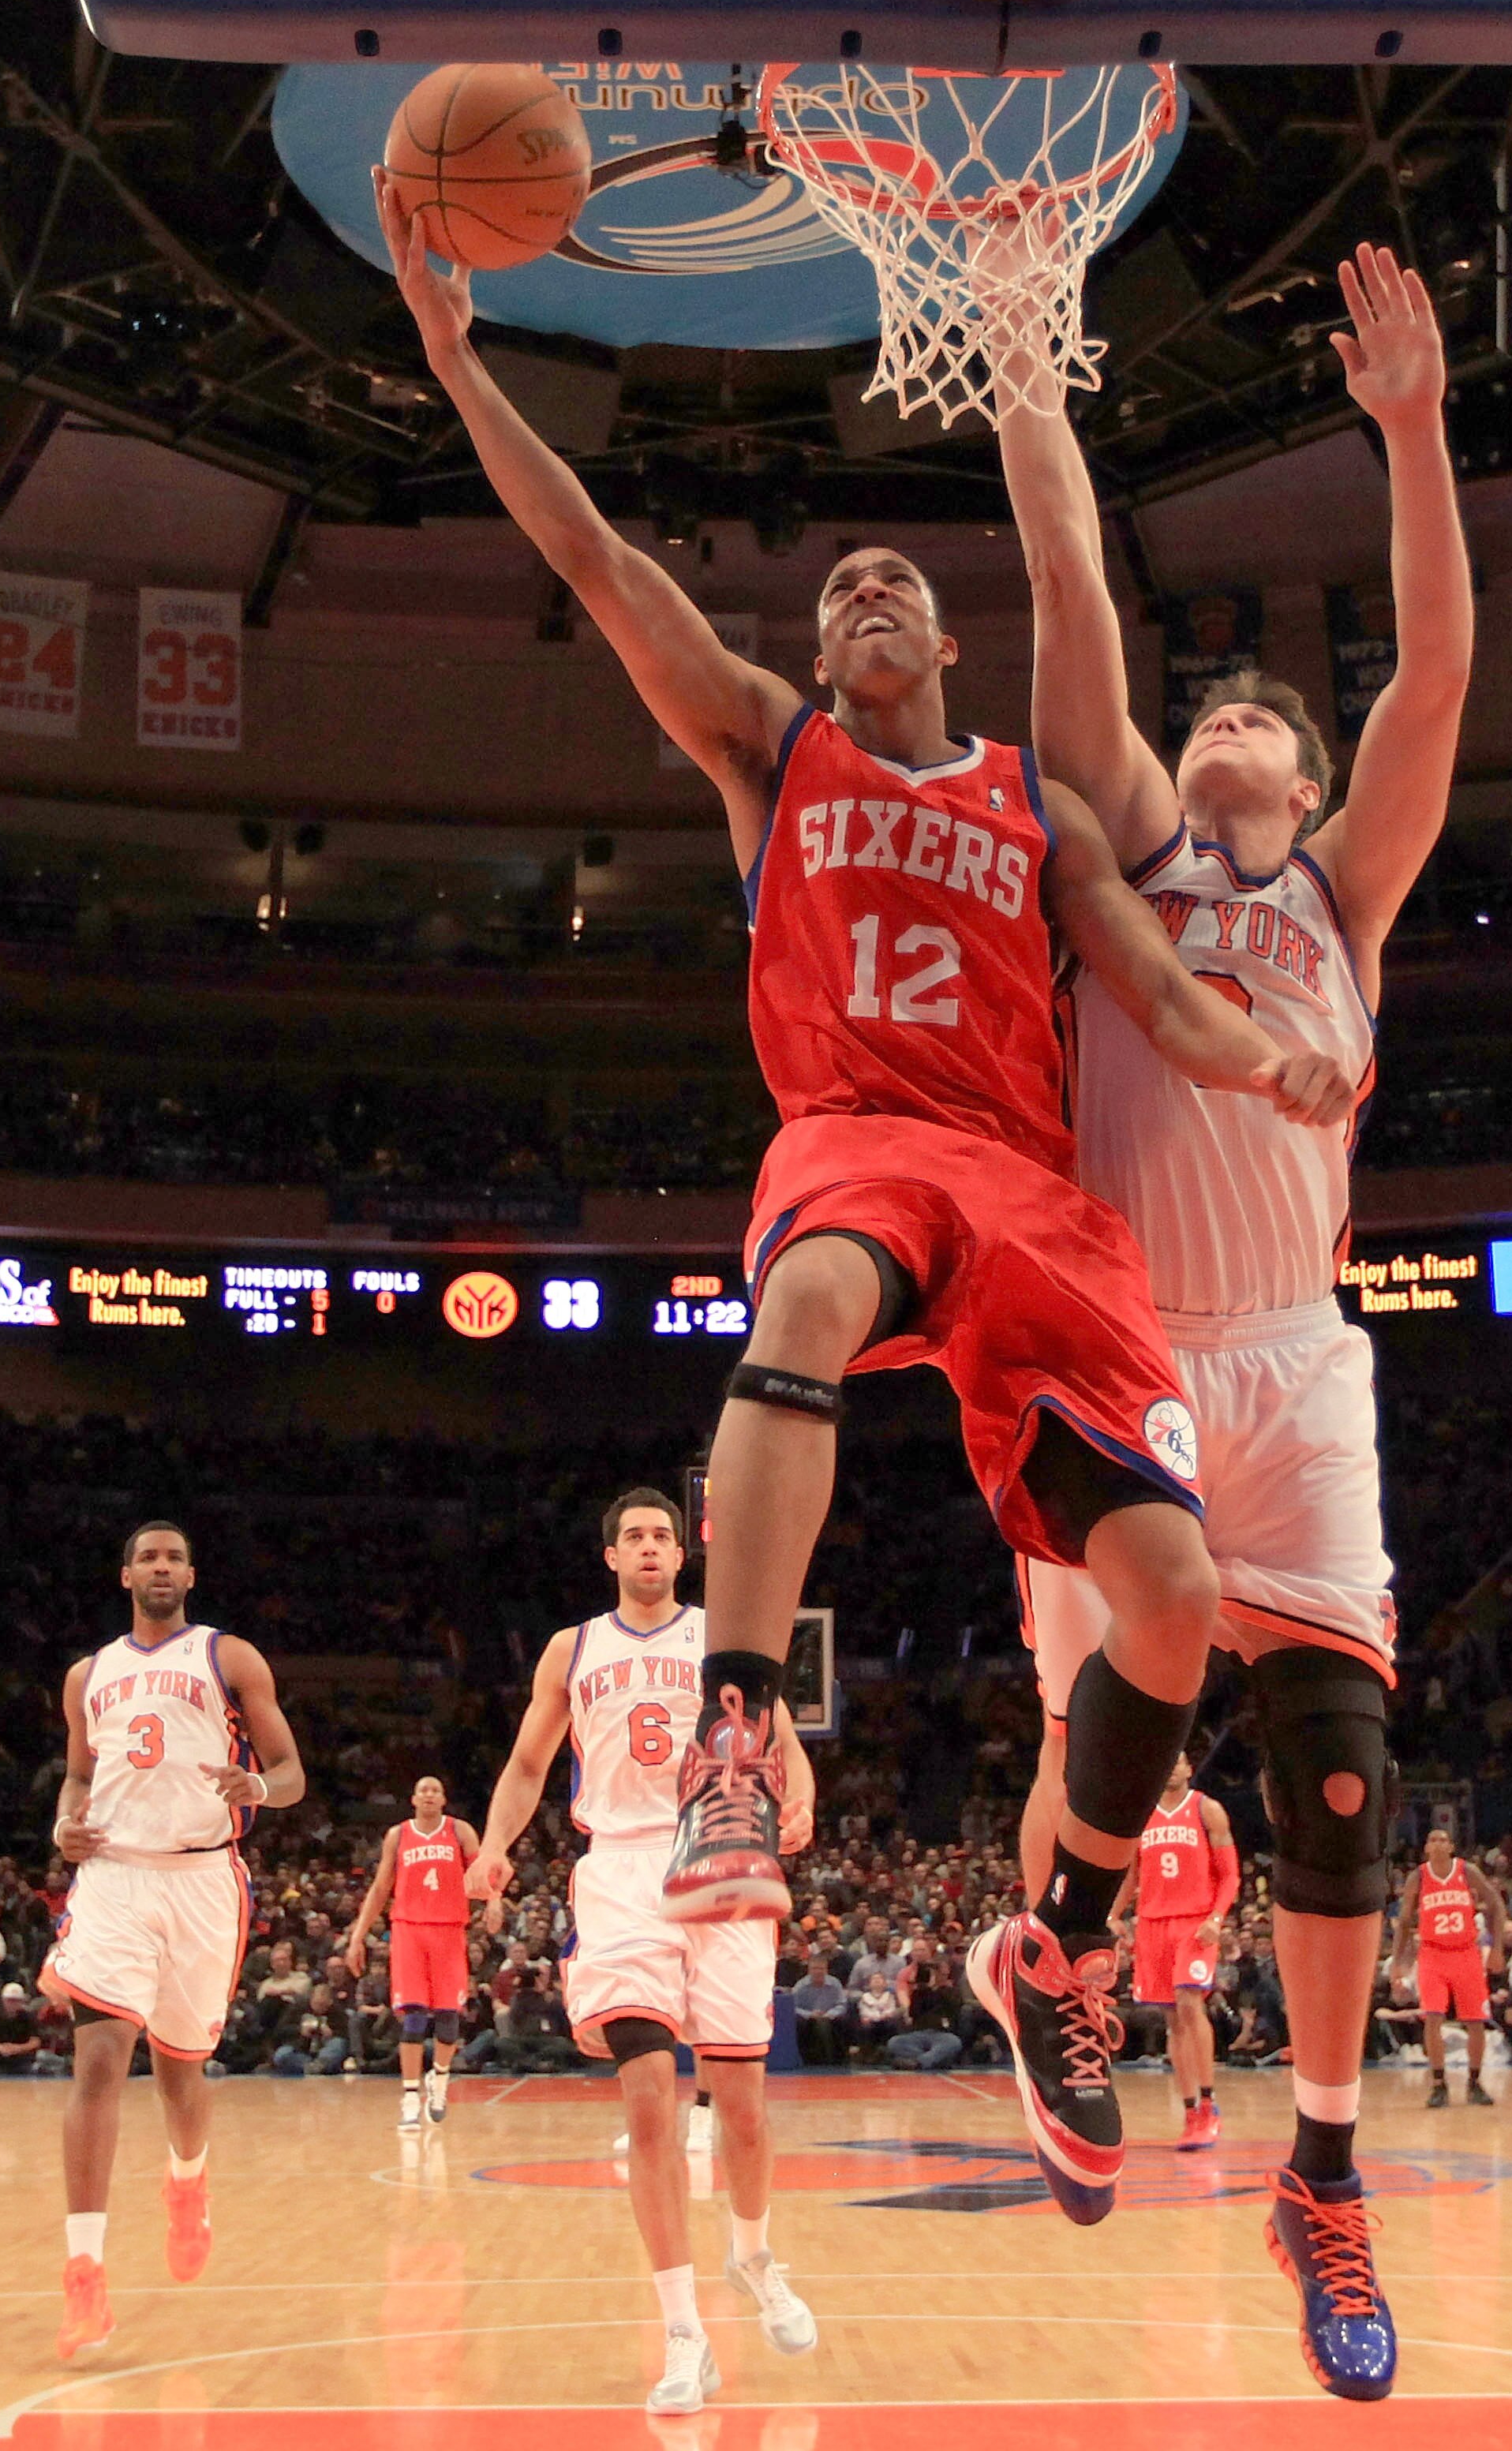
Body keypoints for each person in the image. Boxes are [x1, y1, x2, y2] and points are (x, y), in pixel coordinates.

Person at [380, 172, 1352, 2228]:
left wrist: (1250, 1053)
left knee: (1173, 1606)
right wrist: (463, 363)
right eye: (838, 594)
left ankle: (1060, 1947)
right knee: (807, 1296)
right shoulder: (771, 749)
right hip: (860, 1136)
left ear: (951, 637)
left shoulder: (1032, 799)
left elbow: (1159, 976)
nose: (870, 597)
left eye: (900, 580)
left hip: (1044, 1202)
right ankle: (741, 1732)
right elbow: (596, 555)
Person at [993, 235, 1466, 2395]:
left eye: (1275, 712)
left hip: (1300, 1345)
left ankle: (1328, 2175)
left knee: (1343, 1773)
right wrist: (1025, 372)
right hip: (1121, 1329)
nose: (1248, 725)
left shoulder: (1345, 897)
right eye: (1226, 713)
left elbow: (1438, 679)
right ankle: (1062, 1971)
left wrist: (1417, 437)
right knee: (1114, 1722)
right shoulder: (1131, 855)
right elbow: (1078, 608)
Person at [473, 1487, 821, 2415]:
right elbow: (526, 1764)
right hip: (622, 1869)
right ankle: (682, 2331)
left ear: (681, 1552)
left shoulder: (722, 1637)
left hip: (719, 1851)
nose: (650, 1548)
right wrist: (498, 1845)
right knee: (649, 2103)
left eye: (663, 1535)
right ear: (610, 1557)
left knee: (742, 2108)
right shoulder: (571, 1649)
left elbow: (781, 1740)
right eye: (633, 1536)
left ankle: (752, 2255)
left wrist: (800, 1797)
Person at [39, 1521, 306, 2363]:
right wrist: (63, 1824)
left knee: (182, 2071)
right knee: (100, 2059)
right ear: (126, 1575)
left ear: (192, 1573)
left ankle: (187, 2183)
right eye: (147, 1556)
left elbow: (293, 1771)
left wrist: (256, 1783)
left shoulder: (232, 1659)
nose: (161, 1567)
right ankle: (85, 2275)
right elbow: (80, 1774)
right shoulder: (89, 1674)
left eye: (174, 1557)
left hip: (202, 1879)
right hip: (115, 1876)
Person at [1108, 1757, 1239, 2152]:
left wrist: (1217, 1917)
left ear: (1188, 1769)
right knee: (1172, 2018)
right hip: (1152, 1924)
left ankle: (1210, 2103)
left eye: (1177, 1762)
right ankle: (1190, 2112)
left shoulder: (1206, 1809)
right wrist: (1115, 1914)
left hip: (1194, 1922)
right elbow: (1133, 1875)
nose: (1169, 1767)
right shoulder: (1141, 1816)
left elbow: (1230, 1873)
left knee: (1188, 2002)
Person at [350, 1774, 485, 2130]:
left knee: (447, 2020)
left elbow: (483, 1874)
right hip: (409, 1929)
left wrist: (497, 1903)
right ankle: (410, 2096)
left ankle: (439, 2080)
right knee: (413, 2017)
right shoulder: (399, 1835)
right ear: (413, 1799)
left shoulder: (460, 1832)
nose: (428, 1794)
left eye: (435, 1790)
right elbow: (381, 1887)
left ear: (443, 1799)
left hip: (449, 1929)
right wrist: (357, 1936)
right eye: (422, 1789)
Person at [1394, 1827, 1505, 2111]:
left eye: (1444, 1839)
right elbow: (1405, 1921)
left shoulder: (1467, 1871)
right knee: (1432, 2017)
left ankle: (1475, 2081)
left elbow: (1496, 1904)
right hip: (1432, 1953)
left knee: (1476, 2021)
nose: (1439, 1843)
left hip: (1467, 1953)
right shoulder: (1418, 1876)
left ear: (1452, 1846)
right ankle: (1438, 2083)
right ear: (1426, 1848)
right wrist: (1397, 1962)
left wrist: (1497, 1949)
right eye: (1433, 1839)